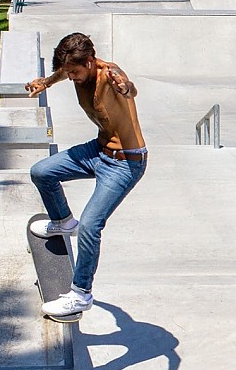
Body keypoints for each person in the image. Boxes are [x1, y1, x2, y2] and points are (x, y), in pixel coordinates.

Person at [25, 32, 146, 318]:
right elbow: (61, 72)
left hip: (125, 162)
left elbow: (129, 88)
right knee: (41, 172)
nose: (72, 78)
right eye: (67, 73)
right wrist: (45, 82)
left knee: (91, 225)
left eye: (75, 72)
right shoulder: (73, 69)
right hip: (98, 151)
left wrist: (126, 87)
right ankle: (63, 221)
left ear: (90, 61)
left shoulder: (109, 74)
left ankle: (81, 294)